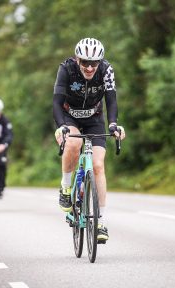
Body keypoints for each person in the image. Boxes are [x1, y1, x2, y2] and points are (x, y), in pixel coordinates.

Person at [53, 38, 126, 242]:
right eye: (85, 62)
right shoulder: (66, 69)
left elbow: (111, 99)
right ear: (78, 59)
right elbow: (57, 102)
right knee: (74, 143)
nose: (90, 67)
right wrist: (61, 126)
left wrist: (113, 124)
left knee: (98, 166)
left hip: (94, 118)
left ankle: (101, 222)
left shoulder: (106, 70)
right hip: (70, 117)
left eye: (94, 63)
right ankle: (66, 187)